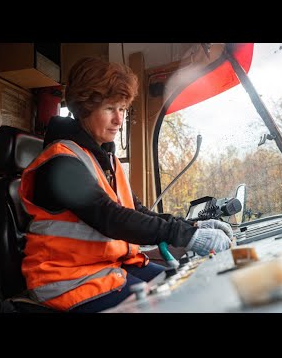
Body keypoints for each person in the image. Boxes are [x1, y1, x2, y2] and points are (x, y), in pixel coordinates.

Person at [18, 56, 234, 313]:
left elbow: (136, 211)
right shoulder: (61, 163)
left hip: (110, 268)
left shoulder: (105, 159)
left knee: (187, 288)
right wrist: (187, 237)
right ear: (84, 108)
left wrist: (193, 226)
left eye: (122, 109)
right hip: (68, 280)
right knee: (174, 306)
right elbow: (111, 218)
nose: (119, 121)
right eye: (110, 108)